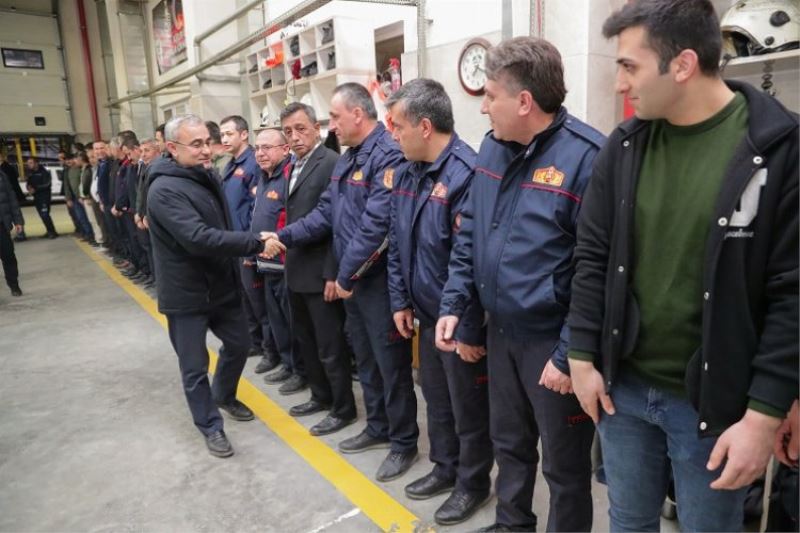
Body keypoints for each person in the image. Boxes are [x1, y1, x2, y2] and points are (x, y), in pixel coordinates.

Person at [567, 1, 799, 531]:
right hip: (622, 390)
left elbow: (792, 292)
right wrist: (582, 355)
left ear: (683, 64)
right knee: (628, 520)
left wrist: (764, 415)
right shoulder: (624, 147)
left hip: (716, 405)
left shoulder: (778, 149)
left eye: (629, 66)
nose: (620, 84)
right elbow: (592, 256)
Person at [436, 37, 604, 532]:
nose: (483, 106)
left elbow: (598, 271)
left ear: (524, 101)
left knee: (564, 466)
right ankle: (513, 525)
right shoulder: (491, 146)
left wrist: (569, 351)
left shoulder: (589, 158)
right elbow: (471, 235)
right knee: (509, 445)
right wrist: (454, 303)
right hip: (500, 330)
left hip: (552, 343)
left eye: (490, 95)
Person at [265, 83, 419, 482]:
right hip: (357, 283)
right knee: (365, 359)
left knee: (391, 367)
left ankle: (403, 442)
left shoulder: (387, 154)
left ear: (357, 114)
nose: (330, 124)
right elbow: (326, 214)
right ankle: (378, 425)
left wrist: (345, 274)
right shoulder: (348, 160)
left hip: (380, 284)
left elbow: (376, 227)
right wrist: (284, 236)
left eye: (334, 117)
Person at [386, 79, 493, 525]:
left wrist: (468, 328)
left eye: (397, 126)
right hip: (426, 316)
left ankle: (472, 483)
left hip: (458, 322)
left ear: (425, 126)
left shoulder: (467, 175)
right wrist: (400, 299)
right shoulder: (409, 172)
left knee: (468, 409)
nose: (392, 134)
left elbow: (472, 262)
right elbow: (397, 242)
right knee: (438, 400)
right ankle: (445, 468)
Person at [146, 114, 272, 458]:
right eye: (196, 144)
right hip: (186, 295)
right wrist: (254, 243)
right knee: (194, 365)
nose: (206, 150)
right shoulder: (164, 189)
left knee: (239, 343)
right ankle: (210, 426)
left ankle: (225, 394)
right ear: (173, 148)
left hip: (220, 285)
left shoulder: (204, 175)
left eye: (208, 142)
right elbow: (198, 238)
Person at [275, 102, 356, 435]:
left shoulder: (332, 164)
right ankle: (320, 396)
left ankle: (343, 407)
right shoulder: (293, 165)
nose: (295, 137)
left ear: (317, 128)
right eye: (288, 132)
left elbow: (337, 223)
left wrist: (332, 273)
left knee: (330, 347)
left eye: (301, 129)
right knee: (306, 342)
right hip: (296, 270)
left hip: (321, 272)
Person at [220, 114, 279, 363]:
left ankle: (270, 352)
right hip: (234, 243)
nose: (224, 139)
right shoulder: (230, 165)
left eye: (229, 133)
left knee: (260, 303)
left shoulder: (253, 164)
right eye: (222, 134)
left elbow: (258, 210)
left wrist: (251, 246)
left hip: (249, 244)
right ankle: (255, 342)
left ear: (244, 134)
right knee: (246, 299)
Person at [0, 169, 24, 296]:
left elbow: (12, 199)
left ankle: (14, 285)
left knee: (8, 256)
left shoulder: (2, 175)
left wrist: (18, 220)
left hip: (2, 226)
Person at [25, 157, 58, 239]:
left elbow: (47, 184)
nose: (29, 165)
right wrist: (28, 188)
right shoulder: (30, 173)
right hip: (36, 198)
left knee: (45, 215)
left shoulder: (44, 172)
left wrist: (35, 189)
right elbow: (28, 184)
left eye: (31, 163)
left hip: (44, 197)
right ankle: (49, 231)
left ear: (36, 163)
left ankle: (52, 232)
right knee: (42, 215)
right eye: (28, 163)